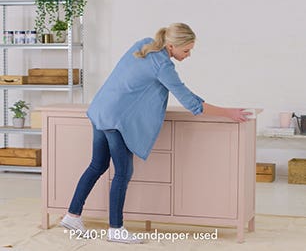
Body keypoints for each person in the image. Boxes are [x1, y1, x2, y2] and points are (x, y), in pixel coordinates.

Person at [60, 23, 251, 244]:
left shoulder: (144, 45)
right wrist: (228, 112)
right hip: (116, 120)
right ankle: (116, 228)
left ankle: (72, 215)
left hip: (100, 109)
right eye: (186, 50)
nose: (188, 55)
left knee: (97, 165)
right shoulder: (163, 66)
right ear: (171, 46)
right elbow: (191, 102)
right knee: (123, 172)